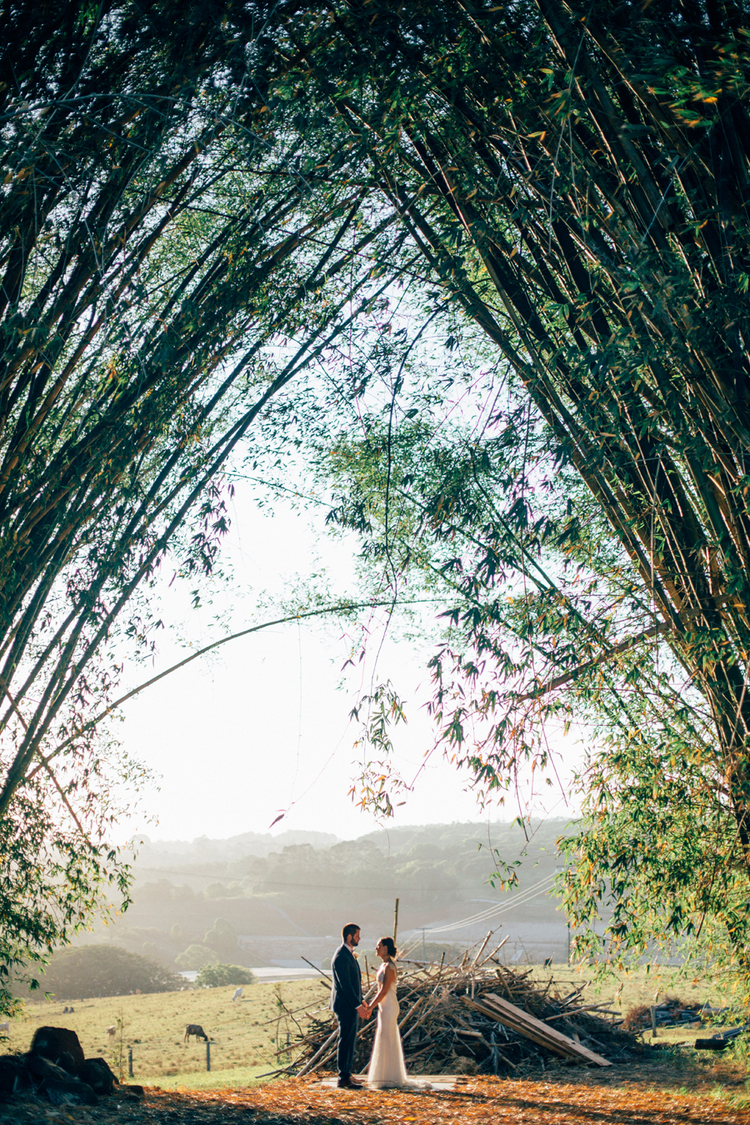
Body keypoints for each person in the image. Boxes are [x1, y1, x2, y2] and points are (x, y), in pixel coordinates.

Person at [364, 936, 410, 1089]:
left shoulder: (390, 966)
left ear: (385, 948)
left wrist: (370, 1006)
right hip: (384, 1006)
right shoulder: (383, 965)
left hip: (389, 1005)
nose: (376, 948)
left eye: (378, 945)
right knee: (383, 1038)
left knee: (388, 1038)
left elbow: (384, 991)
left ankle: (391, 1077)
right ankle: (384, 1076)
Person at [330, 922, 369, 1088]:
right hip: (345, 1005)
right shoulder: (341, 956)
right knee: (346, 1039)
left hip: (350, 1004)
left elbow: (354, 983)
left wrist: (361, 1000)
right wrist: (357, 1006)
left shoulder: (348, 954)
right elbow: (345, 984)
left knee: (350, 1039)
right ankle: (343, 1078)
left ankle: (347, 1073)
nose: (359, 938)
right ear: (349, 936)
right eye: (357, 935)